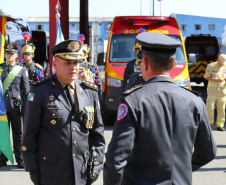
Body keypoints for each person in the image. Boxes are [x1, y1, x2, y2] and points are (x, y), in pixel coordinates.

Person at [103, 32, 217, 185]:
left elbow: (115, 160)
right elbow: (208, 152)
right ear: (174, 64)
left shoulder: (133, 100)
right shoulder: (195, 101)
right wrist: (180, 169)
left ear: (145, 62)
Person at [22, 39, 105, 185]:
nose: (73, 67)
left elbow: (97, 133)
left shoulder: (89, 91)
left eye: (76, 63)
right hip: (51, 172)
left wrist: (97, 163)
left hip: (82, 170)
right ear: (55, 65)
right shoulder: (40, 91)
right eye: (67, 63)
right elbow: (29, 133)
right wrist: (32, 168)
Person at [0, 43, 29, 168]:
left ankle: (20, 159)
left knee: (18, 135)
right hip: (1, 108)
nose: (10, 55)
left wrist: (27, 108)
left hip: (16, 107)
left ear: (16, 55)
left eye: (12, 53)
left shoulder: (22, 70)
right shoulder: (0, 68)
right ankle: (2, 158)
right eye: (7, 53)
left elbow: (26, 91)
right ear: (5, 54)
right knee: (2, 133)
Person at [204, 54, 226, 131]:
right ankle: (209, 124)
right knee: (210, 108)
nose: (222, 64)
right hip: (212, 92)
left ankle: (220, 125)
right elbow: (206, 76)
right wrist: (216, 80)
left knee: (221, 108)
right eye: (221, 62)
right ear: (218, 60)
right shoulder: (211, 66)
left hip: (222, 92)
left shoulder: (225, 66)